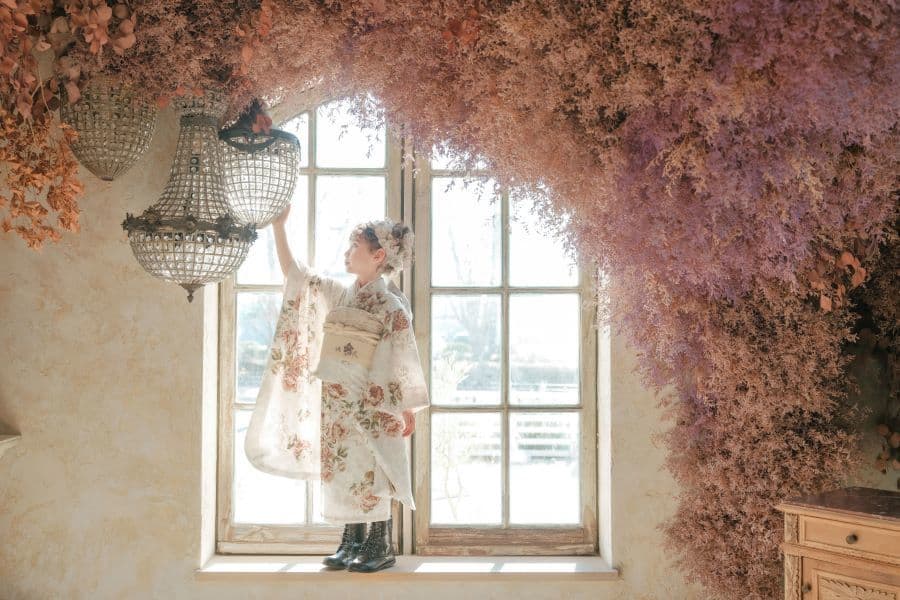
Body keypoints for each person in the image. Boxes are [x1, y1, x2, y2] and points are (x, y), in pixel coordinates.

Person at [244, 204, 429, 573]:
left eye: (355, 247)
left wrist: (403, 405)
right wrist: (279, 227)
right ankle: (352, 540)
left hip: (373, 401)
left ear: (378, 256)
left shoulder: (390, 305)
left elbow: (401, 355)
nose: (347, 253)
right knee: (344, 468)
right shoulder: (342, 294)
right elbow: (298, 276)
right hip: (338, 402)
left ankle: (380, 544)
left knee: (374, 469)